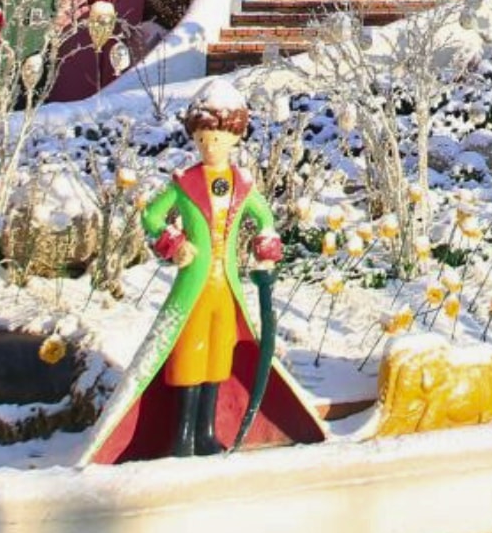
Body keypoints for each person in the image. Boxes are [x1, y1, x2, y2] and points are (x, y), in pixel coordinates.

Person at [86, 81, 327, 463]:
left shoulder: (242, 185)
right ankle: (182, 435)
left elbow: (263, 219)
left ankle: (206, 431)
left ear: (234, 138)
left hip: (226, 288)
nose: (210, 146)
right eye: (203, 139)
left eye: (217, 138)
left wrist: (264, 245)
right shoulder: (186, 183)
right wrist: (174, 243)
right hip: (195, 285)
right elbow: (151, 215)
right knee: (189, 355)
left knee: (219, 356)